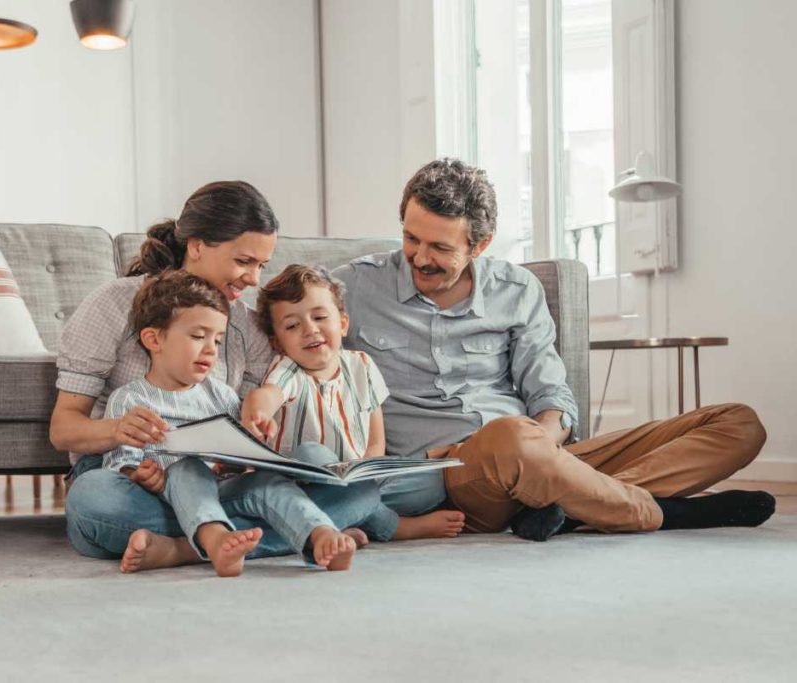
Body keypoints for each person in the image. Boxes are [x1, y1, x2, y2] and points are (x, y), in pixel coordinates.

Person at [331, 158, 774, 541]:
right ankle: (658, 512)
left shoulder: (517, 290)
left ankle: (567, 508)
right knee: (508, 436)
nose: (420, 257)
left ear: (479, 246)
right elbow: (275, 311)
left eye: (440, 247)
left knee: (738, 424)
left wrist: (538, 447)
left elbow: (552, 398)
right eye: (411, 238)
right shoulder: (354, 286)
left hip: (538, 453)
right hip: (455, 475)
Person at [52, 180, 380, 562]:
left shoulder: (246, 325)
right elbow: (63, 430)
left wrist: (256, 433)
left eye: (261, 265)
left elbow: (243, 437)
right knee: (94, 501)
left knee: (358, 485)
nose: (254, 279)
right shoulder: (114, 304)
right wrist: (117, 430)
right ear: (196, 246)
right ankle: (297, 530)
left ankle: (184, 547)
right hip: (133, 477)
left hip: (219, 480)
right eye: (243, 262)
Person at [105, 271, 361, 574]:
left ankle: (320, 535)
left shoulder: (221, 394)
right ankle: (217, 542)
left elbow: (237, 459)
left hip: (226, 491)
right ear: (154, 339)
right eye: (199, 336)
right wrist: (141, 474)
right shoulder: (129, 399)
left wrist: (249, 452)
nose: (211, 349)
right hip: (171, 496)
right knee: (187, 468)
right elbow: (120, 461)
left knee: (268, 482)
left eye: (217, 339)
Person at [242, 264, 465, 542]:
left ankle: (343, 516)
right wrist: (257, 412)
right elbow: (268, 394)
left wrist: (368, 472)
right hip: (306, 484)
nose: (310, 330)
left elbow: (375, 442)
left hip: (358, 480)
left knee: (431, 483)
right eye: (292, 325)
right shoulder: (289, 370)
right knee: (312, 454)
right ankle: (392, 526)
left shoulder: (363, 365)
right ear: (277, 342)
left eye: (320, 317)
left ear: (343, 323)